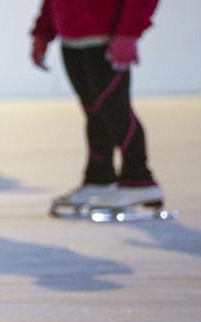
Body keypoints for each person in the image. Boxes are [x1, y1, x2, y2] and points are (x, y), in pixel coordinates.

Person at [31, 0, 165, 217]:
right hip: (72, 40)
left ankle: (139, 180)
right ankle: (99, 178)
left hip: (105, 38)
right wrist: (42, 33)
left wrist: (128, 33)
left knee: (115, 110)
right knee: (95, 114)